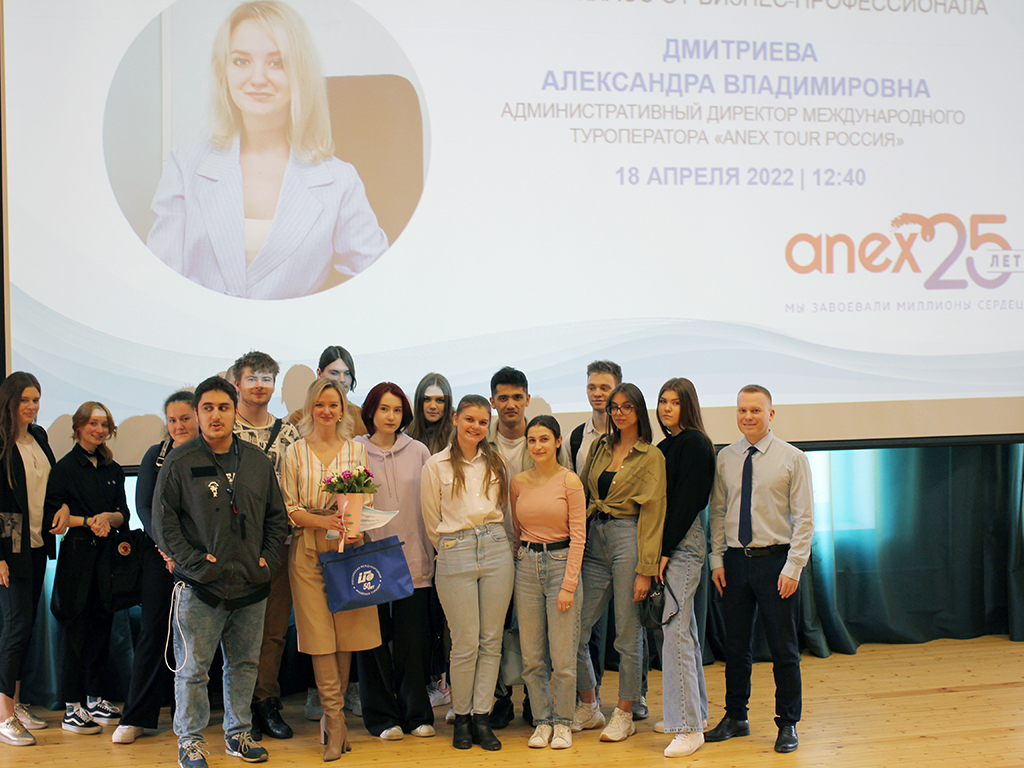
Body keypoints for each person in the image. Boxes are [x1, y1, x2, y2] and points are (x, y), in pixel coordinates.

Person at [146, 0, 388, 300]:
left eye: (277, 63)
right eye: (241, 61)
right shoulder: (184, 166)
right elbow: (159, 288)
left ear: (300, 73)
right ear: (223, 72)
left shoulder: (340, 180)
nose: (258, 78)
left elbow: (380, 284)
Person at [154, 376, 288, 768]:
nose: (216, 416)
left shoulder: (257, 461)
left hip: (251, 586)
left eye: (224, 408)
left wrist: (267, 561)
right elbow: (164, 523)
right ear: (197, 414)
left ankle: (238, 734)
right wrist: (194, 564)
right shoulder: (179, 461)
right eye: (208, 408)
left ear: (235, 411)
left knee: (244, 666)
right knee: (193, 671)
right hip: (200, 589)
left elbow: (276, 518)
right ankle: (190, 742)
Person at [705, 385, 814, 754]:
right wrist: (717, 559)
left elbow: (804, 520)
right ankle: (736, 716)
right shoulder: (725, 458)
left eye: (755, 410)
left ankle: (788, 723)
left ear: (771, 414)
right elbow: (718, 512)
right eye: (742, 410)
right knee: (736, 648)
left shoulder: (793, 458)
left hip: (776, 563)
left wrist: (793, 567)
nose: (748, 416)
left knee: (784, 649)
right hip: (735, 563)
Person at [281, 378, 381, 761]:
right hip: (308, 548)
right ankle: (336, 723)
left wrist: (354, 523)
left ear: (342, 410)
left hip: (348, 547)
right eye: (320, 404)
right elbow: (290, 508)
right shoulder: (294, 452)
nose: (327, 410)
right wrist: (324, 521)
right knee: (319, 636)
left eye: (333, 404)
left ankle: (333, 721)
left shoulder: (357, 450)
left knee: (345, 634)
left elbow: (367, 499)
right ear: (310, 408)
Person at [572, 383, 666, 743]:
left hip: (629, 538)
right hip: (595, 536)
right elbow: (583, 491)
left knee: (628, 635)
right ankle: (589, 705)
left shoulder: (651, 455)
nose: (619, 413)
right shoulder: (600, 446)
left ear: (639, 411)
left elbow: (653, 514)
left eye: (627, 407)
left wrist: (646, 569)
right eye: (614, 407)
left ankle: (625, 712)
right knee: (575, 629)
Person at [421, 395, 513, 751]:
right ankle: (461, 717)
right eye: (470, 419)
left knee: (491, 640)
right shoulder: (436, 465)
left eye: (482, 421)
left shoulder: (497, 462)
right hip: (455, 550)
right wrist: (453, 546)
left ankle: (481, 717)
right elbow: (432, 521)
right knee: (464, 641)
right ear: (456, 419)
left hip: (495, 548)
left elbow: (504, 511)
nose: (476, 426)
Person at [485, 367, 570, 728]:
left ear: (527, 399)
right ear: (493, 401)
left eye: (517, 397)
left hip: (534, 551)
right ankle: (501, 698)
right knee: (497, 629)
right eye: (503, 397)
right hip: (491, 548)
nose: (510, 404)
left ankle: (537, 702)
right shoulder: (481, 440)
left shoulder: (540, 439)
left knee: (538, 633)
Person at [113, 391, 199, 745]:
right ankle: (136, 717)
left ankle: (190, 715)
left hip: (201, 557)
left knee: (196, 637)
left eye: (185, 418)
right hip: (160, 556)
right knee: (154, 631)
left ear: (198, 417)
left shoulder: (214, 454)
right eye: (172, 420)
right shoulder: (155, 455)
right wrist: (167, 548)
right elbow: (145, 508)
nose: (178, 426)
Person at [353, 382, 434, 740]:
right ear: (371, 411)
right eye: (384, 409)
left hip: (413, 558)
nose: (390, 416)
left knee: (411, 643)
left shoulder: (419, 451)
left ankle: (416, 715)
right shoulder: (354, 450)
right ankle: (382, 717)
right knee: (372, 643)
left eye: (397, 410)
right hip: (369, 561)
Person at [45, 402, 129, 735]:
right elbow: (53, 517)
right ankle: (72, 706)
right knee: (76, 632)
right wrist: (88, 521)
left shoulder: (114, 468)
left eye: (104, 424)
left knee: (101, 627)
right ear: (79, 426)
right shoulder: (65, 468)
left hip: (108, 558)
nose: (99, 429)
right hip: (77, 557)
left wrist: (108, 518)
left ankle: (95, 698)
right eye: (93, 423)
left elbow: (123, 513)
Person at [231, 351, 301, 741]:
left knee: (273, 631)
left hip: (279, 545)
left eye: (267, 379)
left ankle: (266, 701)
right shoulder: (225, 429)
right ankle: (238, 708)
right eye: (252, 378)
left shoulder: (288, 433)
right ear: (237, 384)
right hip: (234, 549)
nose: (260, 385)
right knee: (237, 632)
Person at [510, 415, 586, 750]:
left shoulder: (570, 481)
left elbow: (579, 537)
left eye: (544, 439)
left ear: (557, 442)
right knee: (532, 657)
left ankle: (563, 722)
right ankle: (542, 721)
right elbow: (516, 533)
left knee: (563, 658)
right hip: (527, 566)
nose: (538, 446)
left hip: (561, 564)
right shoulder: (518, 482)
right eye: (532, 440)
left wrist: (569, 584)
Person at [654, 378, 715, 757]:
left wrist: (663, 550)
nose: (666, 408)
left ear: (687, 406)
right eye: (663, 401)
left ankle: (688, 728)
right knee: (684, 633)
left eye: (674, 402)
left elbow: (689, 502)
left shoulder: (695, 443)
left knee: (675, 632)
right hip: (668, 542)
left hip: (683, 544)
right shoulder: (665, 446)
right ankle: (695, 713)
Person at [0, 373, 57, 747]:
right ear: (9, 401)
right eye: (25, 399)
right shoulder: (1, 442)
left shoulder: (39, 436)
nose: (32, 406)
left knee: (27, 627)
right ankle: (3, 714)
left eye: (36, 399)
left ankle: (16, 704)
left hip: (36, 544)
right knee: (15, 628)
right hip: (10, 543)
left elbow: (50, 486)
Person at [289, 346, 367, 437]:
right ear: (319, 373)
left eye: (347, 373)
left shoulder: (361, 417)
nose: (342, 379)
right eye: (334, 373)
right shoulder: (299, 418)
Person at [569, 361, 621, 474]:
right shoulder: (574, 438)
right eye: (592, 388)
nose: (597, 394)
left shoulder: (629, 435)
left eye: (604, 388)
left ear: (617, 390)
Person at [407, 373, 454, 456]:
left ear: (447, 403)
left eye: (439, 400)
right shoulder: (407, 436)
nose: (433, 406)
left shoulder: (457, 436)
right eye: (427, 399)